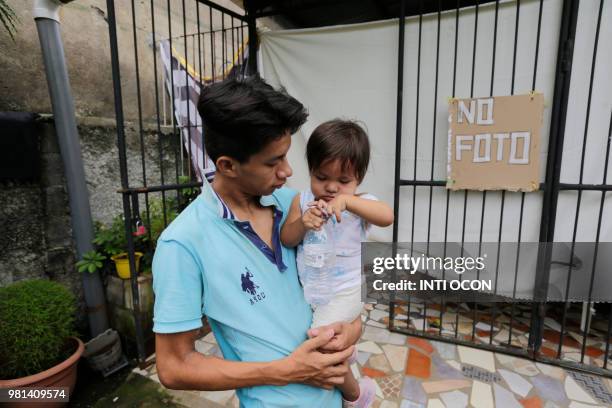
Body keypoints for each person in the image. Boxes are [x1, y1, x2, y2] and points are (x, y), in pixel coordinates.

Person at [151, 74, 363, 407]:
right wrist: (287, 370)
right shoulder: (182, 244)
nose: (288, 171)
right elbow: (174, 367)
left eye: (286, 156)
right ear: (227, 165)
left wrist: (351, 331)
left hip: (335, 396)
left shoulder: (296, 205)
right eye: (273, 162)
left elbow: (342, 289)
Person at [280, 119, 394, 408]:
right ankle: (345, 351)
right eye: (321, 177)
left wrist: (349, 202)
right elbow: (286, 239)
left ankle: (355, 394)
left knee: (319, 345)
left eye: (344, 182)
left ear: (358, 178)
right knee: (328, 339)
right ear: (311, 171)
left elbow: (387, 216)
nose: (331, 188)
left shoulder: (362, 203)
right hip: (315, 291)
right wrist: (303, 224)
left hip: (347, 290)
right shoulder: (303, 200)